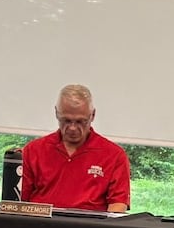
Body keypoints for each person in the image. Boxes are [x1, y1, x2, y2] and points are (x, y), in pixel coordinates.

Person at [21, 84, 130, 213]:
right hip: (41, 227)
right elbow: (18, 202)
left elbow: (117, 205)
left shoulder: (114, 155)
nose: (72, 128)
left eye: (80, 121)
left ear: (93, 115)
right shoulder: (33, 151)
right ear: (56, 113)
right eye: (66, 120)